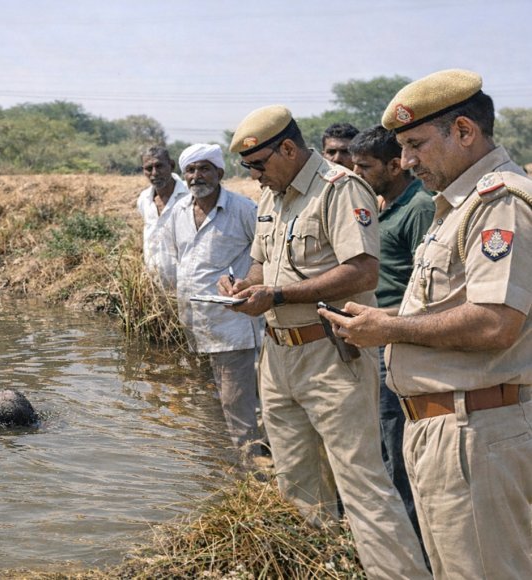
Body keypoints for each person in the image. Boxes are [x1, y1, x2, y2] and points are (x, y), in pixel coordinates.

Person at [320, 69, 532, 579]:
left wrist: (390, 330)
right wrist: (386, 319)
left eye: (415, 144)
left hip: (476, 432)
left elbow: (496, 324)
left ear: (464, 131)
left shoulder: (498, 204)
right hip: (449, 429)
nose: (407, 161)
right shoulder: (456, 209)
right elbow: (454, 309)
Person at [219, 106, 429, 579]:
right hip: (276, 356)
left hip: (330, 353)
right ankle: (324, 568)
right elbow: (260, 266)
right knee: (295, 482)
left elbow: (363, 270)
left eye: (258, 165)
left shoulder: (340, 189)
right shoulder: (272, 199)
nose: (253, 176)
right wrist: (242, 287)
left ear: (288, 149)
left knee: (361, 484)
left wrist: (277, 293)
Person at [348, 124, 434, 549]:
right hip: (373, 335)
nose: (356, 173)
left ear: (394, 165)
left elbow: (428, 292)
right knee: (378, 438)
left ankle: (413, 545)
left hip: (398, 338)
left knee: (396, 440)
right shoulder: (378, 203)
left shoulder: (419, 207)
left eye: (364, 166)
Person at [164, 143, 262, 459]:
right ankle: (222, 469)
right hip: (195, 327)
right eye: (191, 170)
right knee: (210, 404)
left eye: (204, 168)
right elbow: (176, 261)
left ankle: (255, 476)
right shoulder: (177, 212)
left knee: (239, 406)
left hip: (233, 327)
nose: (197, 176)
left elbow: (267, 255)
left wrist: (248, 282)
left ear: (219, 172)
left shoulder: (243, 209)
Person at [136, 145, 188, 283]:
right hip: (155, 283)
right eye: (148, 168)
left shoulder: (189, 195)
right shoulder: (144, 199)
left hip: (186, 281)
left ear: (171, 165)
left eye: (159, 166)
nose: (154, 173)